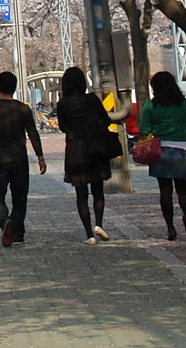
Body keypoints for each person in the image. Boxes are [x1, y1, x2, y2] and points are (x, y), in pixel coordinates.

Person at [52, 66, 126, 242]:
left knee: (81, 194)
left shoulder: (63, 103)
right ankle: (99, 224)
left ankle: (89, 234)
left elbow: (62, 126)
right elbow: (105, 120)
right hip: (95, 147)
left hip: (75, 148)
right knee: (98, 190)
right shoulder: (92, 99)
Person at [0, 69, 46, 246]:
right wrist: (40, 156)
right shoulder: (23, 109)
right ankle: (18, 235)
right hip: (19, 159)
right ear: (14, 87)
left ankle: (4, 220)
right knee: (20, 198)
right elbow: (33, 134)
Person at [140, 69, 186, 240]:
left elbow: (144, 130)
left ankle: (170, 227)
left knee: (165, 191)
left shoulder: (151, 106)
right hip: (181, 151)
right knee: (184, 191)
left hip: (160, 152)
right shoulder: (185, 104)